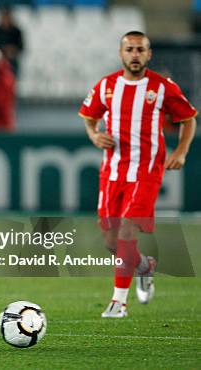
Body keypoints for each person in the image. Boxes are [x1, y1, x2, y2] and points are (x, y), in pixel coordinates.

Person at [79, 31, 197, 318]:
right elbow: (88, 116)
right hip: (113, 171)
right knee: (110, 241)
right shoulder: (106, 85)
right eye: (129, 49)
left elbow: (188, 118)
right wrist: (95, 135)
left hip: (146, 171)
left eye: (140, 50)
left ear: (149, 54)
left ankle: (119, 302)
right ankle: (144, 266)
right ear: (121, 54)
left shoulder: (162, 87)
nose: (135, 54)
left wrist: (181, 151)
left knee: (127, 230)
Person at [0, 6, 23, 78]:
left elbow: (21, 47)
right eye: (3, 17)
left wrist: (12, 50)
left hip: (12, 60)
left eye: (6, 17)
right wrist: (2, 51)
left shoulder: (16, 31)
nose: (5, 19)